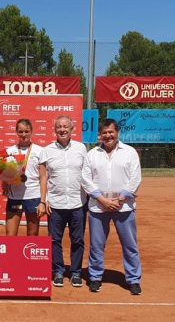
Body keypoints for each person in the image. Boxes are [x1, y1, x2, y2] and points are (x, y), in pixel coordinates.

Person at [82, 119, 143, 294]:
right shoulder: (92, 154)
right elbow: (85, 179)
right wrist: (102, 199)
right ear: (99, 135)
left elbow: (135, 178)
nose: (108, 136)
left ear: (118, 133)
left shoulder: (129, 152)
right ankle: (95, 277)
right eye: (104, 133)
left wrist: (121, 198)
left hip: (123, 207)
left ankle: (133, 279)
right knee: (96, 245)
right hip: (98, 207)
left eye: (111, 132)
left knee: (130, 245)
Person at [38, 115, 93, 288]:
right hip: (55, 204)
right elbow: (43, 177)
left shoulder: (81, 148)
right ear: (55, 130)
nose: (62, 129)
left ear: (72, 129)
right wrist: (43, 199)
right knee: (54, 240)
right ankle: (58, 272)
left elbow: (88, 173)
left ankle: (76, 272)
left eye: (65, 127)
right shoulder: (46, 150)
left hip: (78, 202)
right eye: (59, 127)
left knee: (78, 240)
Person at [3, 119, 43, 236]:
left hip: (33, 196)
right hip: (15, 196)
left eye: (26, 131)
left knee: (32, 234)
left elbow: (43, 177)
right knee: (10, 235)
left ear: (31, 132)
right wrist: (4, 181)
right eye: (20, 131)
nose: (24, 135)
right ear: (16, 132)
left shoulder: (40, 151)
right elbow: (3, 173)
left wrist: (43, 201)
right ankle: (12, 255)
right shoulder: (9, 151)